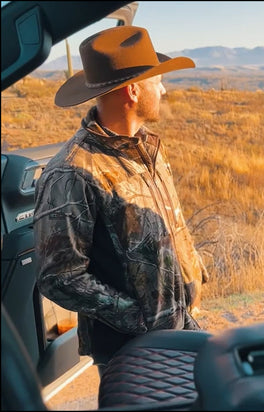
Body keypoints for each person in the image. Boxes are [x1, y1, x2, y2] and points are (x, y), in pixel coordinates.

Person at [33, 26, 209, 373]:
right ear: (132, 90)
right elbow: (59, 277)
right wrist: (140, 318)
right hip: (131, 352)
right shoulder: (71, 173)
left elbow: (169, 220)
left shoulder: (148, 148)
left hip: (180, 328)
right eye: (157, 80)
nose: (163, 89)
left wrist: (193, 273)